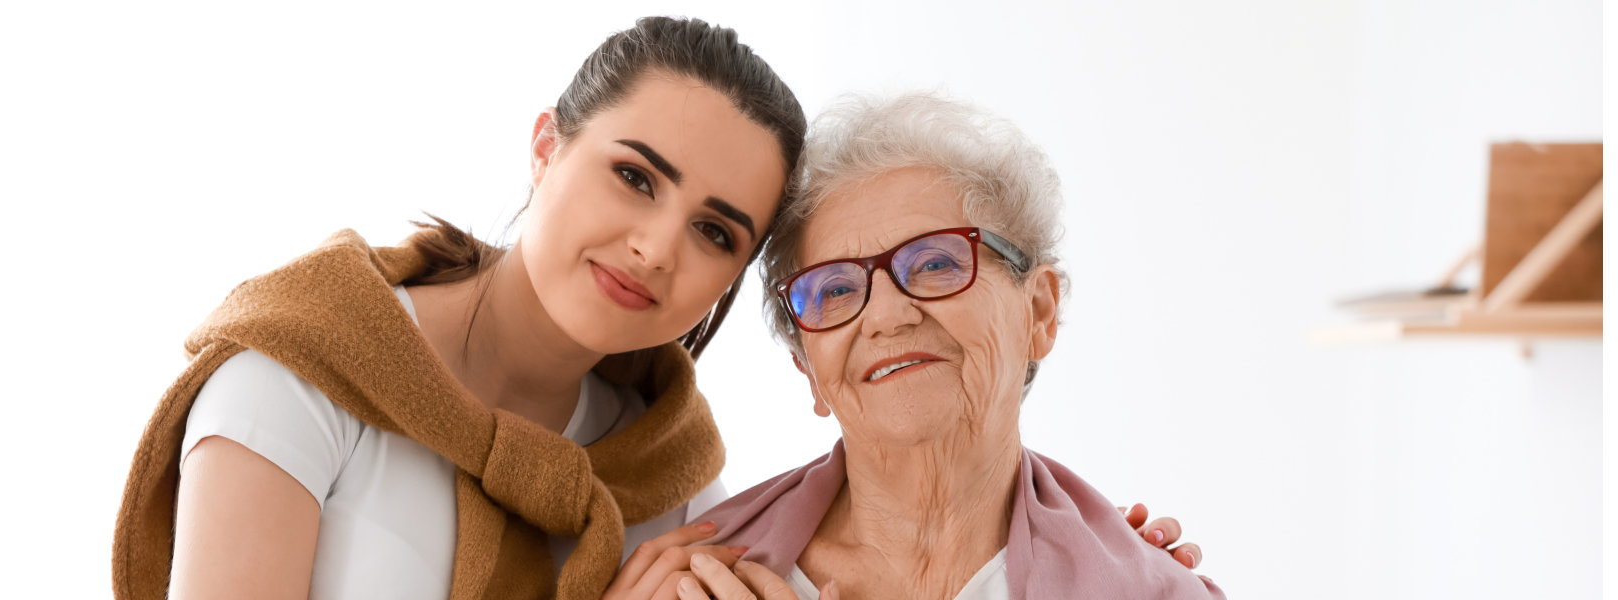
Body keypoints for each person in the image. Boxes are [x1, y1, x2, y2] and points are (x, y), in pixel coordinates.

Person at [113, 16, 806, 600]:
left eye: (715, 233)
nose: (657, 250)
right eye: (635, 177)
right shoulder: (300, 366)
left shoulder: (672, 482)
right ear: (545, 150)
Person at [612, 92, 1224, 600]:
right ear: (808, 368)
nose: (886, 315)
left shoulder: (1146, 589)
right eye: (833, 288)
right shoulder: (687, 577)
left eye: (935, 261)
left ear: (1038, 311)